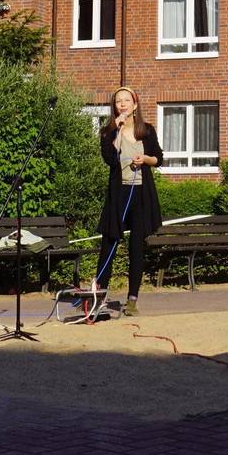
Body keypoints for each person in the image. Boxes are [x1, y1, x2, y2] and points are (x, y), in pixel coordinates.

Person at [96, 86, 164, 317]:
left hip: (141, 195)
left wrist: (144, 159)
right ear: (114, 107)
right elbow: (109, 159)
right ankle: (99, 297)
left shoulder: (147, 130)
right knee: (109, 243)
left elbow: (159, 158)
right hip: (119, 195)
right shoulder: (107, 132)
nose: (122, 104)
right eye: (118, 101)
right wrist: (116, 131)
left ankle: (132, 300)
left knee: (136, 247)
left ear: (135, 105)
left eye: (126, 100)